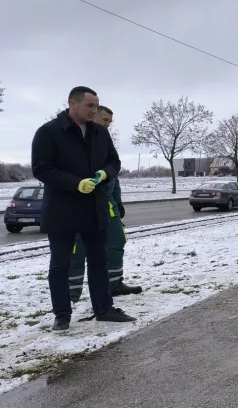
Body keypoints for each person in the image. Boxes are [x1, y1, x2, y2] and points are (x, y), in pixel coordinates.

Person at [31, 86, 136, 331]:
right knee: (60, 264)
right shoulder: (48, 132)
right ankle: (62, 315)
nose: (94, 110)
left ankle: (104, 308)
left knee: (99, 259)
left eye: (96, 106)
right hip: (62, 211)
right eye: (90, 106)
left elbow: (114, 162)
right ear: (73, 104)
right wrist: (75, 183)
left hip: (94, 208)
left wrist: (104, 174)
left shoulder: (100, 133)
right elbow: (41, 168)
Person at [69, 106, 142, 303]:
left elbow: (114, 176)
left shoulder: (105, 141)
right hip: (80, 203)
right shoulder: (80, 139)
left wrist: (118, 202)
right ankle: (72, 292)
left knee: (117, 241)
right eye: (105, 120)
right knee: (78, 248)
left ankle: (114, 283)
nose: (108, 124)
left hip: (107, 204)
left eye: (110, 121)